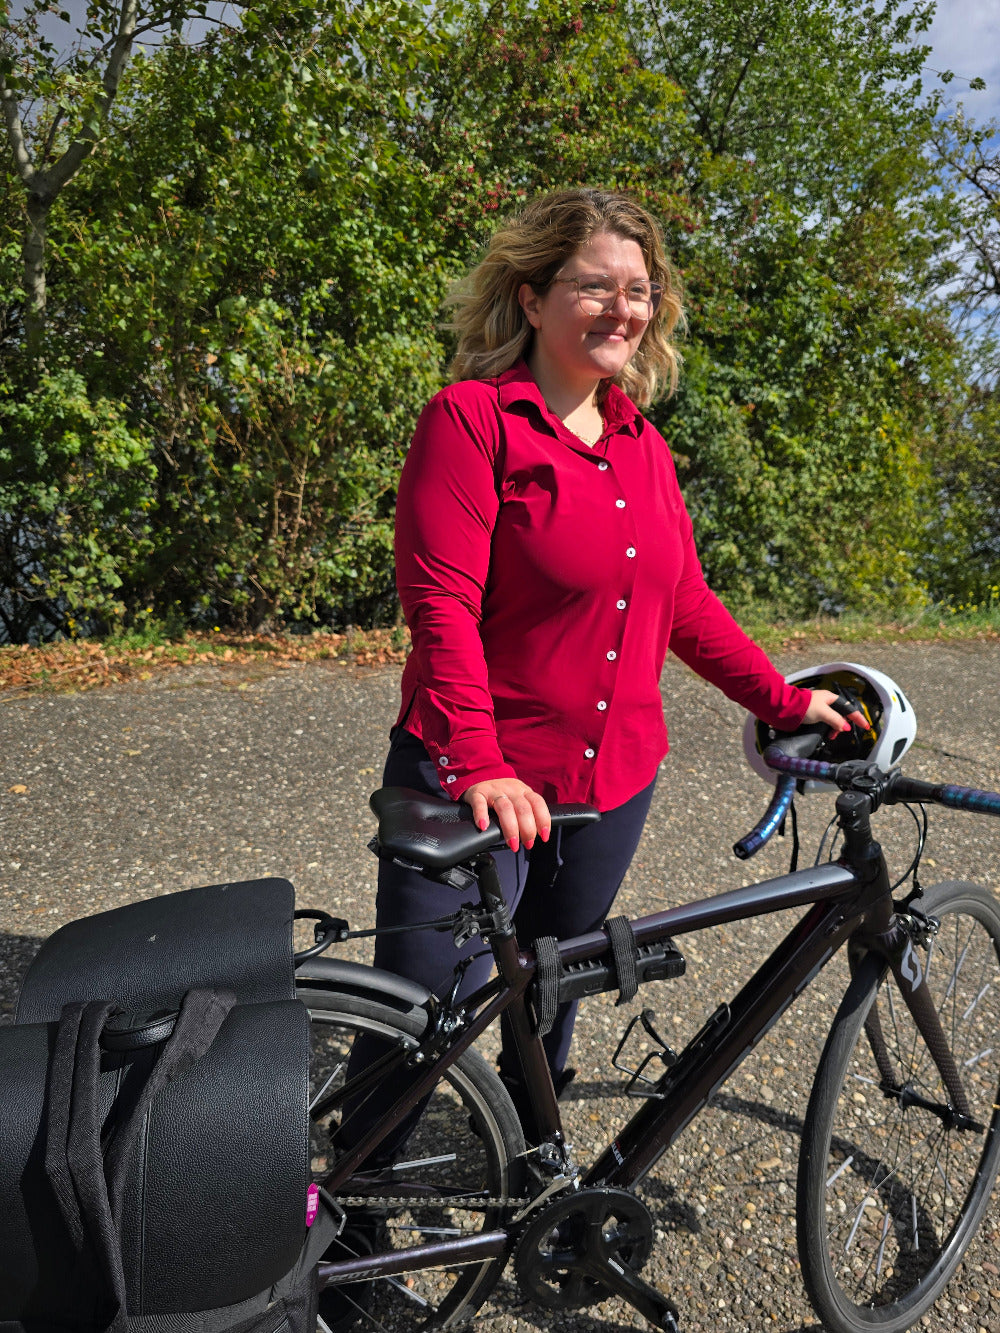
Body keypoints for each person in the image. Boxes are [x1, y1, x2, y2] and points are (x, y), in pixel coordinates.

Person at [372, 186, 854, 1132]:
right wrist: (478, 762)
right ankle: (345, 1249)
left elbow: (684, 602)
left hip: (608, 789)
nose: (622, 309)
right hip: (474, 773)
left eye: (638, 290)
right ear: (532, 297)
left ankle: (527, 1170)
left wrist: (780, 698)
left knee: (550, 992)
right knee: (423, 1016)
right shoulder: (474, 422)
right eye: (595, 286)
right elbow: (441, 608)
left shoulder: (643, 447)